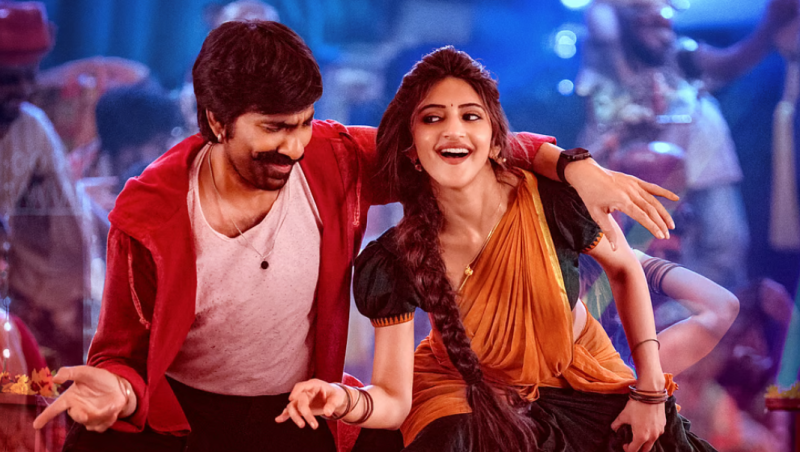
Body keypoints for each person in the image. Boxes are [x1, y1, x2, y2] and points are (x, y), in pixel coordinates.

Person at [33, 21, 679, 452]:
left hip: (297, 412)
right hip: (186, 414)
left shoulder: (331, 158)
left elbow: (455, 145)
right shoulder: (148, 213)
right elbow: (121, 350)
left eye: (303, 123)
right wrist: (117, 389)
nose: (293, 146)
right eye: (273, 129)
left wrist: (570, 164)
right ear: (216, 121)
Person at [278, 46, 715, 452]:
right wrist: (340, 399)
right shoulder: (393, 261)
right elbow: (392, 401)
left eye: (470, 116)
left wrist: (650, 390)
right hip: (461, 394)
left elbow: (623, 269)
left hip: (581, 381)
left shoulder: (552, 200)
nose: (453, 130)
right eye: (432, 118)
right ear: (412, 149)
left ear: (495, 139)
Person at [577, 0, 799, 288]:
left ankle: (696, 306)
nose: (665, 31)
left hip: (696, 164)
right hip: (630, 183)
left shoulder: (679, 57)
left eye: (667, 22)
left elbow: (730, 63)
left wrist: (769, 27)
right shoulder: (603, 71)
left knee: (722, 243)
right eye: (651, 21)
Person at [0, 1, 86, 369]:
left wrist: (58, 299)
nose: (22, 90)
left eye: (29, 76)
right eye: (8, 79)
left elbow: (66, 218)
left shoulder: (31, 127)